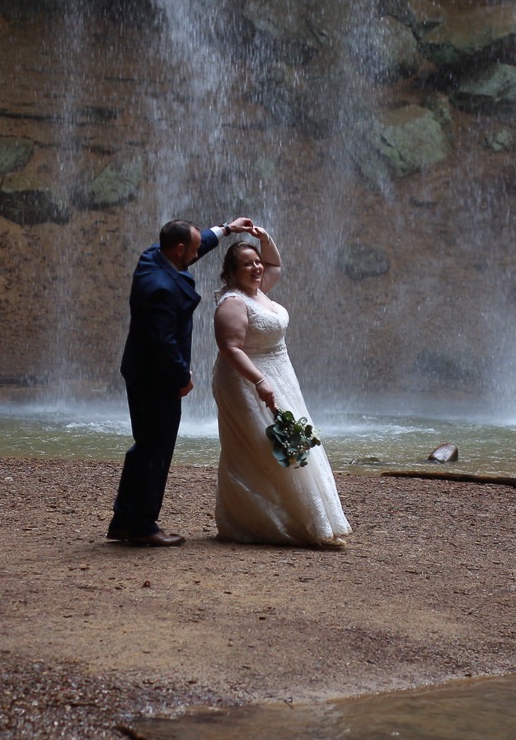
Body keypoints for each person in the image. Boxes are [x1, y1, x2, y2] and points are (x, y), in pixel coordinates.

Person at [110, 215, 255, 547]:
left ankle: (125, 519)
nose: (197, 251)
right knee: (155, 451)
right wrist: (182, 376)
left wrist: (226, 230)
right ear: (178, 250)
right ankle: (143, 525)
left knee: (144, 447)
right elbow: (163, 342)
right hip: (156, 377)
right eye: (192, 248)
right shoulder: (160, 288)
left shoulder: (152, 258)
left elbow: (192, 246)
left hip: (141, 371)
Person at [210, 224, 352, 549]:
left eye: (257, 262)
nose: (257, 267)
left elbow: (274, 265)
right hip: (245, 379)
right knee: (261, 448)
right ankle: (262, 520)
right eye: (247, 264)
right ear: (232, 272)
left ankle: (304, 518)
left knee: (292, 443)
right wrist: (259, 380)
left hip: (280, 374)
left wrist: (265, 238)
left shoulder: (259, 289)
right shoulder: (233, 302)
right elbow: (230, 348)